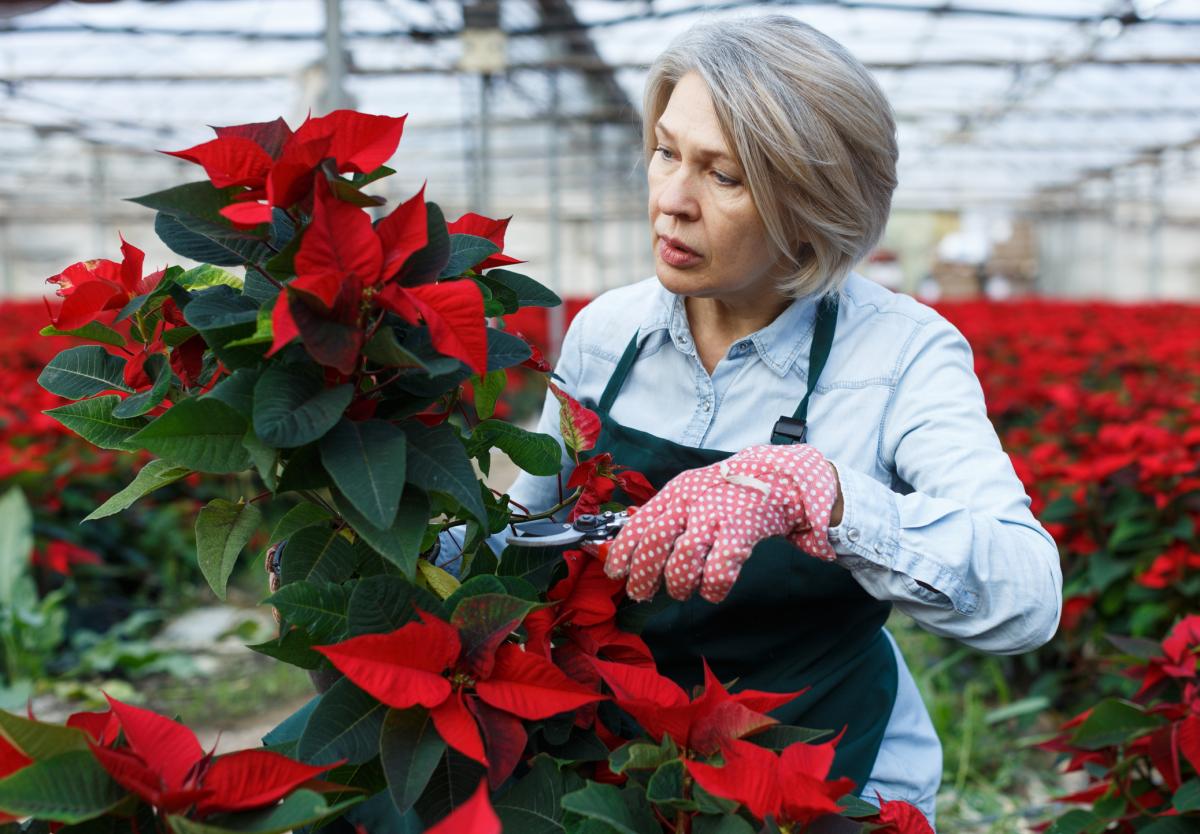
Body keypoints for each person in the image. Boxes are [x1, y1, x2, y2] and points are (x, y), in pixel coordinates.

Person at [461, 16, 1062, 825]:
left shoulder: (898, 354)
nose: (671, 200)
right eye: (666, 152)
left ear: (812, 207)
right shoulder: (607, 334)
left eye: (724, 176)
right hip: (625, 764)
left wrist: (825, 495)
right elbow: (526, 539)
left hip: (820, 767)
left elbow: (1029, 595)